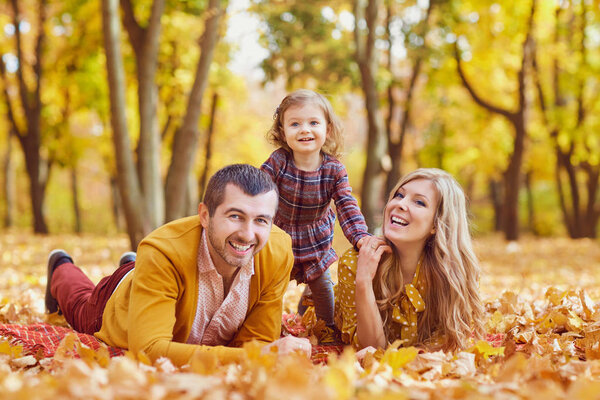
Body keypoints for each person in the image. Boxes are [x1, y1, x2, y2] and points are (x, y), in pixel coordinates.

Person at [44, 164, 311, 366]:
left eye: (261, 220)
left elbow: (255, 343)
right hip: (120, 299)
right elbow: (148, 349)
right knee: (79, 304)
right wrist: (252, 357)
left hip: (157, 274)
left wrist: (257, 355)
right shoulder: (162, 252)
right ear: (205, 215)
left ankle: (132, 264)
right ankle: (60, 265)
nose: (247, 234)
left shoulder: (277, 251)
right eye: (235, 216)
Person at [335, 168, 484, 352]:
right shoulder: (355, 261)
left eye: (419, 202)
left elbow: (443, 347)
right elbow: (370, 351)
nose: (401, 204)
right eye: (399, 195)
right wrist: (364, 282)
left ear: (436, 224)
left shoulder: (451, 273)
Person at [260, 89, 369, 337]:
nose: (304, 129)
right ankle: (270, 329)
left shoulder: (334, 170)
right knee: (271, 288)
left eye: (313, 123)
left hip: (316, 239)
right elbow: (257, 191)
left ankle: (326, 328)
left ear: (327, 130)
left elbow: (346, 204)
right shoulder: (278, 162)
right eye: (295, 124)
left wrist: (360, 235)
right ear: (282, 131)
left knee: (323, 290)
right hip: (280, 237)